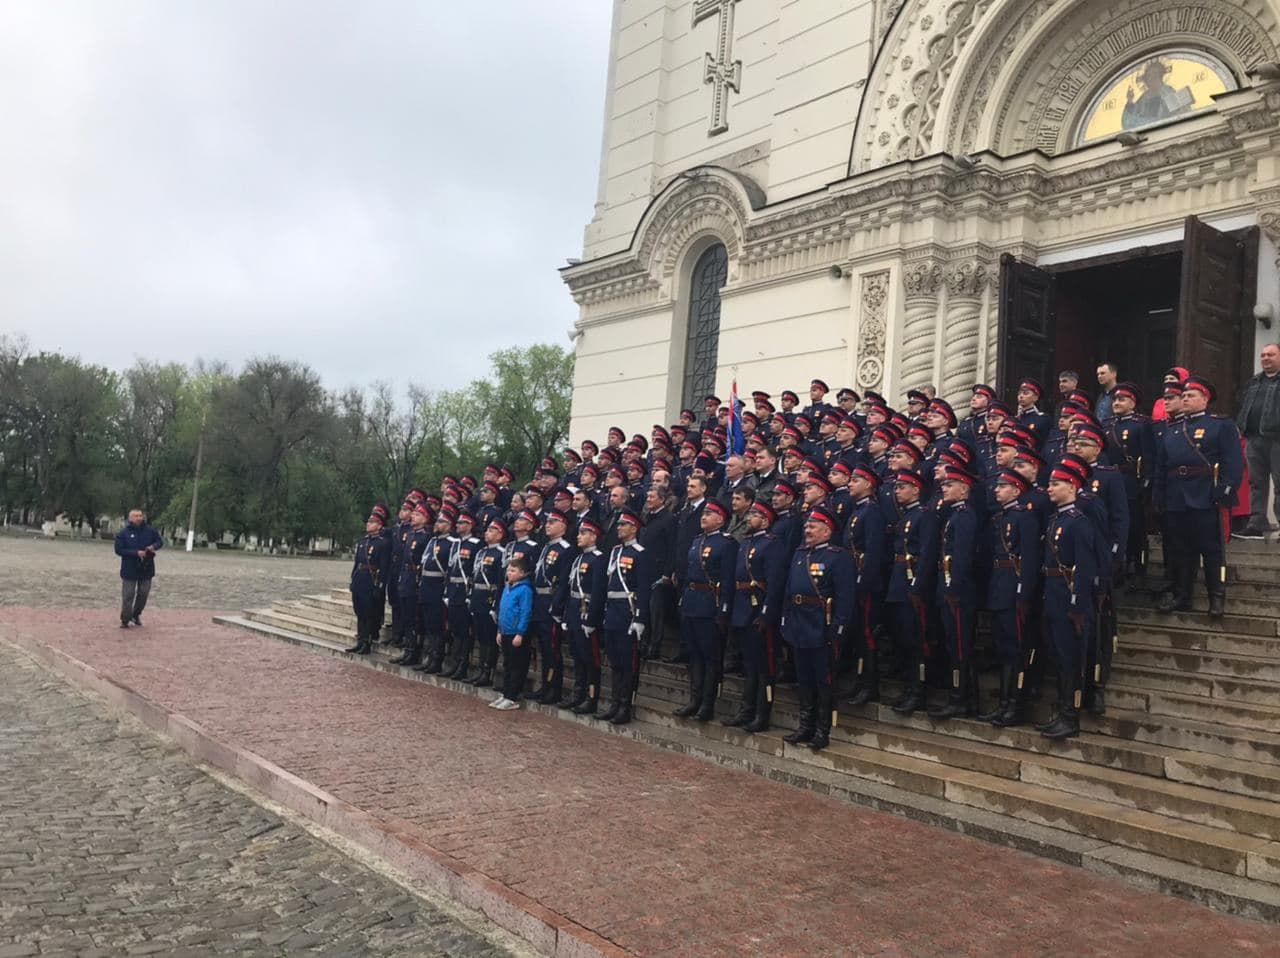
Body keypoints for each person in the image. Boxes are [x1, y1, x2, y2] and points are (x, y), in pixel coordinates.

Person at [1154, 376, 1244, 618]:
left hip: (1205, 495)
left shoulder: (1220, 425)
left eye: (1191, 395)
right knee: (1181, 549)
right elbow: (1162, 468)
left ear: (1205, 399)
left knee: (1211, 549)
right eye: (1183, 395)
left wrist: (1225, 490)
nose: (1185, 398)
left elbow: (1233, 462)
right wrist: (1159, 497)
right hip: (1176, 497)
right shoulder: (1172, 429)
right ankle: (1184, 595)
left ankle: (1216, 597)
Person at [780, 506, 856, 751]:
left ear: (827, 530)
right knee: (803, 678)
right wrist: (786, 618)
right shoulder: (799, 553)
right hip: (799, 623)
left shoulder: (838, 556)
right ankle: (805, 725)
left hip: (821, 625)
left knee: (823, 680)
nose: (807, 530)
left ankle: (822, 730)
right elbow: (789, 590)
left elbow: (845, 597)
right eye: (806, 526)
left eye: (812, 527)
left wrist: (839, 627)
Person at [1038, 464, 1098, 740]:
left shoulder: (1078, 522)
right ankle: (1061, 712)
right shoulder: (1055, 520)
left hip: (1069, 599)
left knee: (1070, 659)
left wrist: (1077, 603)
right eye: (1049, 484)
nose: (1049, 488)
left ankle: (1070, 715)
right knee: (1059, 659)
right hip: (1053, 595)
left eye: (1056, 484)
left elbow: (1085, 568)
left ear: (1072, 486)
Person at [982, 470, 1042, 727]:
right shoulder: (1000, 517)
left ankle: (1016, 705)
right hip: (999, 585)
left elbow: (1029, 558)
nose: (997, 490)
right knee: (1004, 648)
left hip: (1014, 587)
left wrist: (1023, 592)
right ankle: (1005, 703)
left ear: (1017, 491)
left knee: (1016, 649)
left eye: (1003, 487)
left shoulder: (1024, 517)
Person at [724, 500, 786, 732]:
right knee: (749, 666)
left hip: (758, 609)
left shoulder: (772, 544)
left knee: (764, 667)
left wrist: (766, 613)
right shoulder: (746, 543)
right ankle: (746, 710)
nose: (749, 518)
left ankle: (762, 714)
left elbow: (775, 582)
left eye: (754, 515)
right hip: (741, 608)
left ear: (766, 520)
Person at [675, 499, 737, 722]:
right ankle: (694, 699)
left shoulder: (727, 543)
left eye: (710, 514)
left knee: (710, 657)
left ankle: (707, 704)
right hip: (692, 601)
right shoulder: (697, 540)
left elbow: (728, 581)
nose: (704, 516)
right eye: (704, 513)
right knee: (694, 655)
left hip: (710, 604)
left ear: (721, 519)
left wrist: (724, 610)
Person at [599, 509, 651, 725]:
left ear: (634, 528)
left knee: (628, 663)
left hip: (628, 612)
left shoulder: (640, 553)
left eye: (623, 525)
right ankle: (614, 703)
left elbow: (644, 589)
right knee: (615, 661)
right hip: (612, 610)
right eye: (618, 525)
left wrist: (639, 617)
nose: (619, 528)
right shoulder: (615, 552)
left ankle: (625, 706)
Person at [530, 510, 576, 704]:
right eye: (547, 522)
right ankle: (545, 685)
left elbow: (564, 582)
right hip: (539, 601)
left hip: (550, 602)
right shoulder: (546, 547)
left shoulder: (566, 549)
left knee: (552, 649)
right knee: (542, 647)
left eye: (553, 522)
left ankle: (554, 688)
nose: (548, 525)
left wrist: (557, 607)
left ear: (563, 526)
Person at [1235, 343, 1280, 540]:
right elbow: (1244, 404)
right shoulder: (1254, 382)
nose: (1265, 358)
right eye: (1262, 355)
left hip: (1277, 439)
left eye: (1271, 354)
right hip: (1253, 438)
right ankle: (1256, 523)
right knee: (1256, 483)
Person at [490, 555, 534, 710]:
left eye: (513, 570)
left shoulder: (525, 590)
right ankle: (506, 693)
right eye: (508, 570)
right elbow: (503, 611)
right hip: (505, 631)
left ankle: (513, 696)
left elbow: (525, 612)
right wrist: (499, 630)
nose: (509, 573)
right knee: (507, 664)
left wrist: (521, 633)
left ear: (522, 573)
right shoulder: (507, 588)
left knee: (517, 666)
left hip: (516, 633)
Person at [345, 504, 390, 654]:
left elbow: (383, 568)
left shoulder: (382, 543)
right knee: (359, 611)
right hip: (360, 579)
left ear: (379, 525)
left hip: (371, 580)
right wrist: (353, 579)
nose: (368, 524)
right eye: (368, 522)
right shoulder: (363, 541)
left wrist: (380, 586)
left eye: (371, 522)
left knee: (368, 612)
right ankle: (360, 640)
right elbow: (357, 562)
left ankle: (367, 641)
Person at [114, 509, 164, 629]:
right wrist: (136, 553)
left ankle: (136, 614)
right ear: (130, 518)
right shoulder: (123, 533)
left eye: (140, 515)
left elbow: (159, 542)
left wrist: (153, 547)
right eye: (136, 516)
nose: (139, 518)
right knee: (128, 595)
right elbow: (119, 550)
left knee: (143, 593)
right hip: (129, 569)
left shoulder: (150, 530)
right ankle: (125, 619)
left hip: (146, 568)